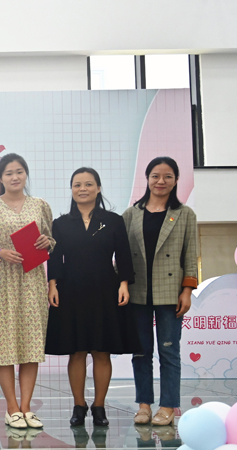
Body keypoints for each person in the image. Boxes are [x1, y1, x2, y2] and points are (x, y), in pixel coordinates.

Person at [45, 167, 139, 427]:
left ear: (98, 188)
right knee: (76, 351)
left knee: (101, 351)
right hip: (70, 290)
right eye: (77, 185)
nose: (82, 189)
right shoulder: (61, 223)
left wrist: (124, 283)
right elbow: (55, 257)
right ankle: (79, 405)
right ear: (71, 190)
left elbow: (123, 254)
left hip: (105, 290)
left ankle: (99, 406)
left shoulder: (113, 220)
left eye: (88, 184)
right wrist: (52, 285)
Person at [0, 153, 54, 429]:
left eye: (19, 171)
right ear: (0, 178)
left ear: (26, 174)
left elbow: (51, 240)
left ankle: (26, 407)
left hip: (33, 281)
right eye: (9, 173)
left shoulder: (40, 205)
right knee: (5, 344)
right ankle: (11, 408)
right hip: (4, 282)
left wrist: (47, 242)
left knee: (31, 344)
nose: (15, 177)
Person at [123, 157, 198, 427]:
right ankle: (144, 405)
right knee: (140, 352)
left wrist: (187, 290)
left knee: (169, 352)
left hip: (170, 292)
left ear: (176, 180)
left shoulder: (185, 214)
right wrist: (120, 283)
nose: (161, 181)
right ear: (147, 179)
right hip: (138, 292)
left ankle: (167, 406)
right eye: (155, 176)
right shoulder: (131, 214)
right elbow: (122, 255)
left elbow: (190, 254)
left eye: (167, 176)